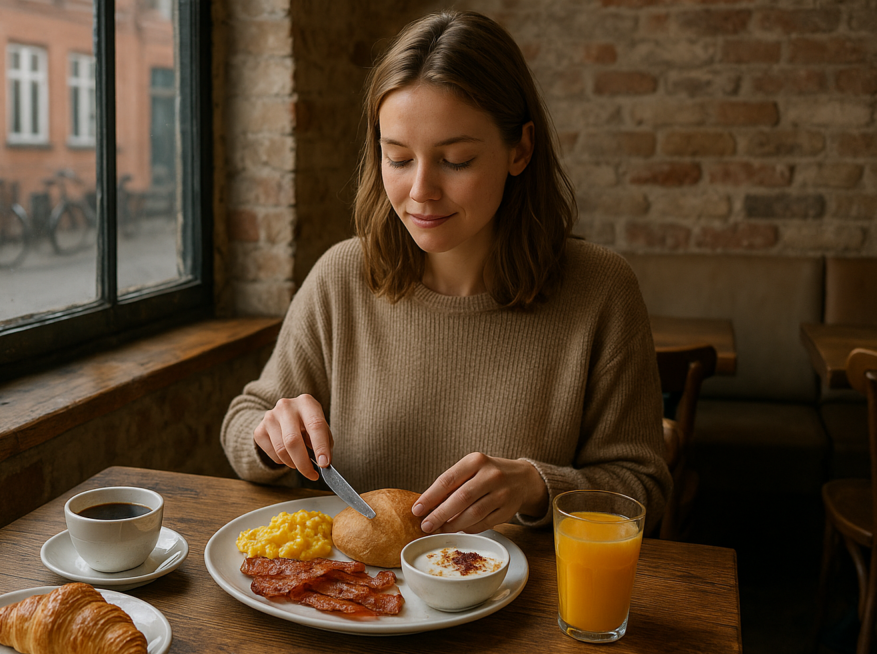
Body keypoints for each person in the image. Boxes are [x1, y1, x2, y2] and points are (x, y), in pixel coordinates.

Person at [221, 10, 671, 533]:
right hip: (356, 603)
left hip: (525, 606)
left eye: (455, 160)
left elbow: (645, 488)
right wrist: (270, 437)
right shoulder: (342, 276)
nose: (420, 192)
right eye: (398, 158)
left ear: (520, 149)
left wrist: (536, 487)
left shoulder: (601, 290)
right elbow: (243, 420)